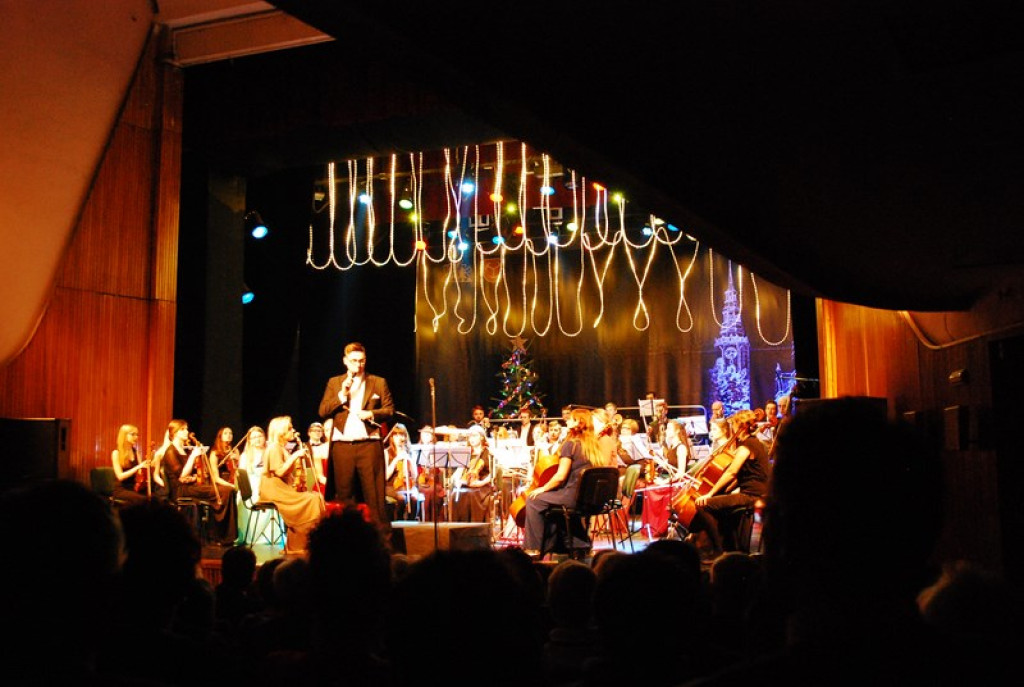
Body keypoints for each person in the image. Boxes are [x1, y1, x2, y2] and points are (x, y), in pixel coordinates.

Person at [318, 341, 395, 536]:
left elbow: (389, 410)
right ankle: (346, 539)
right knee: (345, 496)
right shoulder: (335, 383)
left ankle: (381, 540)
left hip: (369, 445)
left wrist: (371, 414)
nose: (358, 365)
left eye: (361, 361)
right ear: (345, 361)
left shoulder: (378, 382)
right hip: (343, 446)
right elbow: (323, 411)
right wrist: (342, 395)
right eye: (354, 361)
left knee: (374, 496)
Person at [522, 408, 612, 555]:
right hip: (591, 500)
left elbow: (560, 476)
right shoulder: (594, 446)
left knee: (533, 500)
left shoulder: (571, 444)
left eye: (571, 419)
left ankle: (533, 548)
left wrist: (543, 488)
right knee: (556, 503)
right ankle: (579, 544)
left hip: (573, 497)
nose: (567, 421)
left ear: (579, 423)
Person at [687, 409, 771, 562]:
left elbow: (732, 472)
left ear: (742, 427)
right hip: (755, 492)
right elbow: (743, 476)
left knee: (704, 505)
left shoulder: (747, 446)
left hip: (752, 495)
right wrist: (723, 491)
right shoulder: (754, 443)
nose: (732, 428)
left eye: (734, 425)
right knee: (719, 504)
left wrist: (710, 494)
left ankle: (719, 551)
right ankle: (729, 545)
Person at [154, 418, 238, 546]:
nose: (186, 431)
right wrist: (193, 456)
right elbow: (181, 475)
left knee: (228, 490)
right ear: (175, 433)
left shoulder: (183, 449)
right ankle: (219, 536)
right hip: (180, 490)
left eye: (186, 429)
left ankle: (225, 536)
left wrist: (194, 476)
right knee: (224, 492)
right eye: (183, 429)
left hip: (189, 485)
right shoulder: (170, 451)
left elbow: (187, 474)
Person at [260, 416, 326, 555]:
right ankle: (299, 546)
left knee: (316, 497)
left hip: (281, 487)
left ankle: (306, 543)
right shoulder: (274, 447)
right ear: (281, 431)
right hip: (274, 489)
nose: (293, 430)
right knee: (312, 500)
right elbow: (279, 471)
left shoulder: (281, 447)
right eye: (289, 428)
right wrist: (296, 455)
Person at [450, 423, 494, 522]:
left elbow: (493, 473)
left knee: (472, 495)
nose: (471, 439)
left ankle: (475, 526)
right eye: (470, 436)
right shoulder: (466, 452)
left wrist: (481, 483)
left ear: (481, 437)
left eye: (474, 436)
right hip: (467, 483)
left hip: (482, 485)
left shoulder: (488, 452)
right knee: (455, 495)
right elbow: (460, 469)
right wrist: (457, 480)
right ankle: (459, 526)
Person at [110, 423, 154, 505]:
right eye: (133, 434)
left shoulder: (135, 452)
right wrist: (138, 466)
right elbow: (120, 476)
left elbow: (140, 472)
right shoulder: (116, 453)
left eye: (137, 435)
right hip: (121, 490)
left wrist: (149, 462)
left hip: (133, 488)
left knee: (153, 498)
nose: (136, 437)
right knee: (144, 500)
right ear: (124, 435)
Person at [384, 423, 418, 520]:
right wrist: (396, 459)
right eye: (396, 435)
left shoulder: (411, 452)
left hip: (408, 485)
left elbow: (415, 476)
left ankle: (412, 523)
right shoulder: (387, 452)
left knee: (414, 499)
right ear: (392, 437)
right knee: (401, 499)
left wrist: (409, 459)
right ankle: (399, 522)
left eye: (402, 435)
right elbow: (386, 476)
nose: (400, 438)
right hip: (391, 486)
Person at [308, 421, 330, 493]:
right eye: (327, 430)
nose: (317, 433)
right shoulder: (318, 450)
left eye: (319, 431)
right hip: (325, 485)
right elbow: (319, 476)